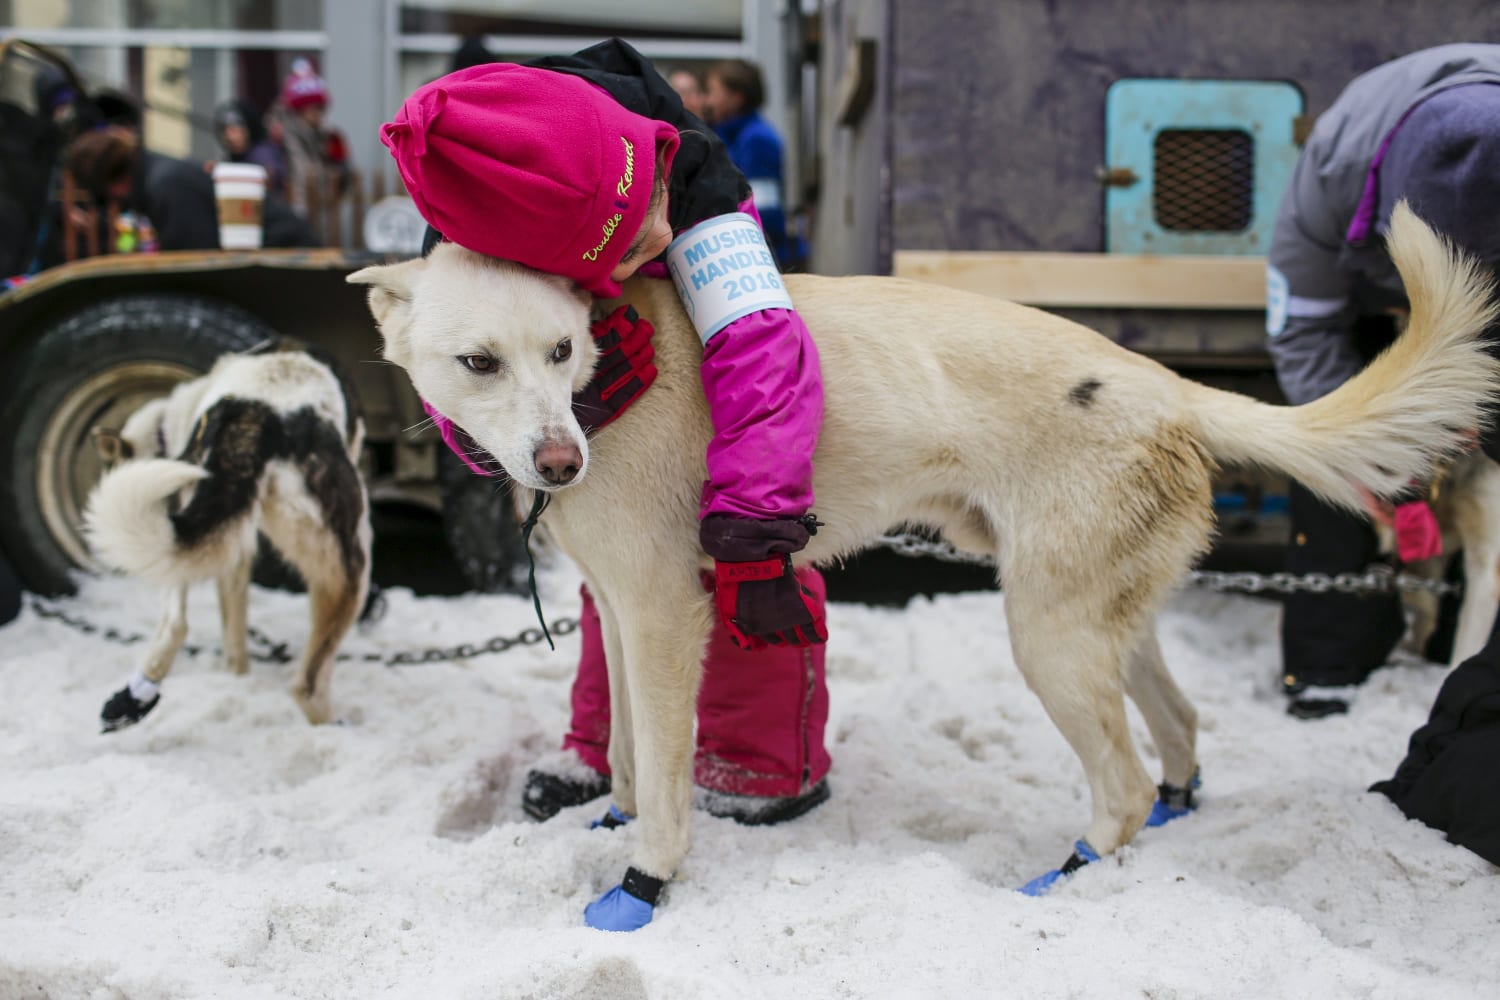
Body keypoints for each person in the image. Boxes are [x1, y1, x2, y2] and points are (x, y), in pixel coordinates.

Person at [380, 38, 832, 830]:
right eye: (622, 246)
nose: (649, 241)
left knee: (747, 565)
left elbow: (765, 352)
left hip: (710, 351)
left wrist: (758, 520)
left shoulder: (693, 194)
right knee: (615, 556)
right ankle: (604, 745)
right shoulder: (478, 217)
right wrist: (517, 425)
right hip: (577, 331)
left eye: (643, 217)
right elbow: (459, 383)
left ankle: (763, 761)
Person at [1265, 44, 1500, 719]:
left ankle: (1455, 651)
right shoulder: (1332, 176)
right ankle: (1326, 666)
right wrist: (1363, 463)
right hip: (1369, 295)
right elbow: (1305, 337)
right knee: (1326, 448)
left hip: (1486, 294)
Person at [61, 126, 316, 255]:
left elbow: (196, 260)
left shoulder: (165, 186)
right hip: (281, 255)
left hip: (284, 255)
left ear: (111, 185)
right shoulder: (160, 177)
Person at [702, 58, 806, 270]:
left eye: (714, 92)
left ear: (737, 98)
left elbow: (766, 210)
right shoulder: (728, 134)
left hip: (760, 256)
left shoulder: (757, 139)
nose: (709, 101)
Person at [276, 59, 351, 237]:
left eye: (321, 108)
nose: (318, 113)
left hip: (320, 216)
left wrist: (341, 166)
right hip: (295, 216)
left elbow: (339, 184)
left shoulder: (325, 138)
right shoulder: (283, 138)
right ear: (300, 109)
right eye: (313, 108)